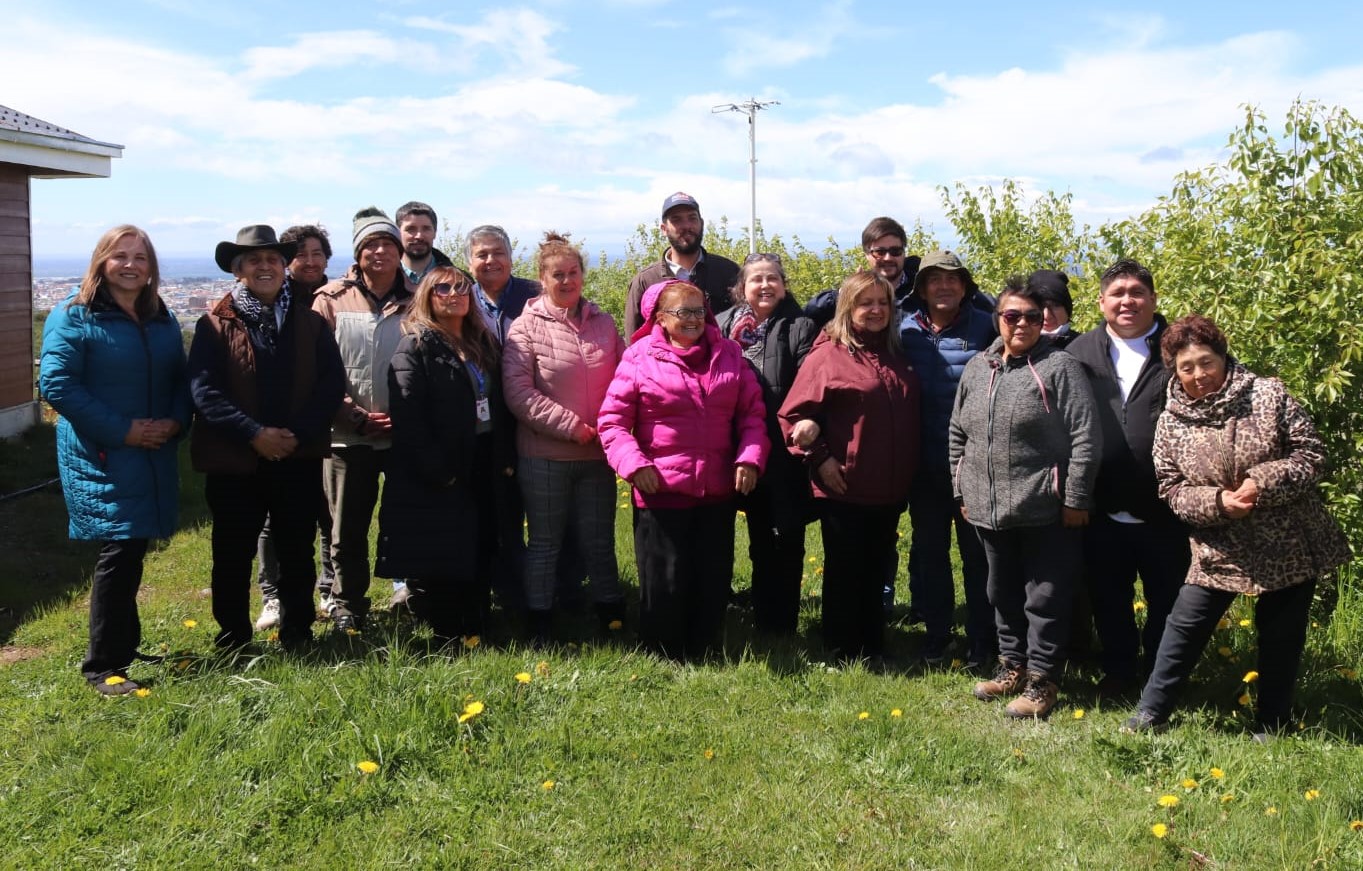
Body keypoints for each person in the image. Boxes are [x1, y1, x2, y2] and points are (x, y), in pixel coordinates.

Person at [1123, 316, 1350, 736]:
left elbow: (1311, 455)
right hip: (1218, 546)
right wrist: (1218, 504)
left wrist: (1261, 483)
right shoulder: (1170, 421)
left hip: (1286, 542)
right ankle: (1151, 713)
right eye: (1186, 367)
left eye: (1206, 362)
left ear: (1223, 357)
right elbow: (1171, 489)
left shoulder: (1268, 394)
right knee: (1184, 627)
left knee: (1281, 635)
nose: (1199, 374)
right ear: (1175, 371)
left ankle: (1272, 722)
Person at [40, 225, 191, 695]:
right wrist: (123, 430)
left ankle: (123, 644)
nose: (130, 265)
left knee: (133, 544)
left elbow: (180, 379)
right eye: (120, 256)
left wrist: (175, 421)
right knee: (120, 548)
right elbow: (57, 384)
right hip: (102, 450)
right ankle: (102, 665)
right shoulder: (75, 314)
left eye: (140, 258)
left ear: (152, 268)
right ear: (101, 261)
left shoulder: (161, 316)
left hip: (151, 446)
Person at [187, 225, 345, 651]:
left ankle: (298, 631)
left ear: (283, 267)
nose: (265, 267)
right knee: (232, 553)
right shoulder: (213, 325)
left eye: (273, 259)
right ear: (237, 270)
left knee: (296, 550)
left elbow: (331, 385)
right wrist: (254, 434)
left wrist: (298, 434)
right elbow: (204, 391)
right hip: (234, 460)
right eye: (254, 260)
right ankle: (233, 637)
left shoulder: (311, 323)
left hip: (297, 457)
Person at [951, 277, 1099, 719]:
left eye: (1032, 317)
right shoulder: (979, 367)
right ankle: (1012, 666)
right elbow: (958, 432)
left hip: (1044, 507)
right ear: (997, 318)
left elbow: (1085, 437)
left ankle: (1043, 680)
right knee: (1001, 591)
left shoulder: (1059, 367)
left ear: (1042, 321)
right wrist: (961, 488)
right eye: (1012, 315)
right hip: (988, 507)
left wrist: (1075, 498)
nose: (1021, 324)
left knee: (1044, 599)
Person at [599, 279, 768, 659]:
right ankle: (661, 655)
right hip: (660, 489)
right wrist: (634, 465)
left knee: (712, 577)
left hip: (716, 489)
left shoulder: (729, 354)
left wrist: (749, 458)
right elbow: (612, 422)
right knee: (665, 580)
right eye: (682, 312)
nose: (693, 319)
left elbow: (752, 416)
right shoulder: (640, 357)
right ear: (659, 317)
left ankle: (705, 649)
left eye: (698, 310)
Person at [780, 271, 920, 665]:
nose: (875, 310)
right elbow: (793, 417)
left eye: (882, 302)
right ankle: (842, 648)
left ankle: (872, 644)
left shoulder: (895, 352)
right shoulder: (829, 355)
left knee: (876, 567)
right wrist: (820, 459)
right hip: (845, 483)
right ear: (848, 307)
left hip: (889, 486)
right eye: (865, 303)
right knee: (846, 569)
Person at [1068, 260, 1190, 697]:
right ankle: (1118, 671)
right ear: (1101, 301)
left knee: (1168, 598)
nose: (1127, 301)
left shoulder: (1180, 348)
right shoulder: (1079, 352)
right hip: (1101, 504)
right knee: (1108, 596)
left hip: (1166, 506)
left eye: (1137, 292)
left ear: (1153, 299)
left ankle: (1162, 678)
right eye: (1117, 293)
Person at [376, 267, 512, 644]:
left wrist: (503, 457)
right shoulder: (415, 345)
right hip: (442, 465)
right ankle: (447, 631)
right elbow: (408, 416)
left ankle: (478, 622)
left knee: (482, 540)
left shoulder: (482, 341)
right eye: (443, 288)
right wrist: (439, 470)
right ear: (427, 296)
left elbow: (498, 404)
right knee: (444, 548)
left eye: (462, 287)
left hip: (483, 457)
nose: (454, 294)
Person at [503, 232, 626, 642]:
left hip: (597, 455)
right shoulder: (524, 328)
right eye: (558, 274)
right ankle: (539, 619)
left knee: (599, 541)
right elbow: (519, 393)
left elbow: (625, 379)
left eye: (573, 273)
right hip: (545, 456)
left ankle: (611, 613)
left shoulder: (604, 323)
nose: (567, 281)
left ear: (582, 276)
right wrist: (571, 427)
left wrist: (610, 428)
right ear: (542, 279)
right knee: (545, 542)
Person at [311, 208, 415, 633]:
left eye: (388, 243)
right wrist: (352, 415)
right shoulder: (330, 299)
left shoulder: (419, 298)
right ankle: (347, 603)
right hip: (346, 436)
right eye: (370, 244)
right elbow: (315, 370)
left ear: (399, 251)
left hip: (403, 436)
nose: (380, 251)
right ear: (357, 253)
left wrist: (404, 417)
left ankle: (410, 593)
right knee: (346, 527)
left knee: (406, 519)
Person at [898, 250, 997, 666]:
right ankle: (937, 635)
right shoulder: (904, 329)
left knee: (978, 557)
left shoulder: (987, 326)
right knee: (931, 553)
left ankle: (983, 639)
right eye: (934, 279)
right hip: (923, 465)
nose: (943, 286)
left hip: (972, 464)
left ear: (965, 286)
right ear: (921, 289)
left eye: (952, 279)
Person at [716, 253, 818, 635]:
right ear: (741, 287)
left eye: (772, 278)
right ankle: (733, 613)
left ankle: (780, 624)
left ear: (784, 285)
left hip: (781, 454)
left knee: (783, 539)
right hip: (729, 448)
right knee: (735, 537)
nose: (764, 285)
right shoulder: (722, 325)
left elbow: (810, 384)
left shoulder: (801, 326)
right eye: (756, 279)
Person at [254, 224, 336, 631]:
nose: (310, 261)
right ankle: (272, 594)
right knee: (274, 517)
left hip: (326, 422)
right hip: (279, 430)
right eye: (301, 253)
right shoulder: (272, 300)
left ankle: (328, 588)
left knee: (326, 512)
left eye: (317, 252)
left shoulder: (337, 296)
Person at [622, 193, 739, 337]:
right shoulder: (645, 281)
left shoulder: (728, 272)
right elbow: (634, 340)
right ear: (664, 229)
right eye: (676, 220)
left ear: (701, 224)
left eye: (692, 218)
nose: (686, 226)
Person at [802, 217, 923, 327]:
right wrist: (845, 294)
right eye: (880, 252)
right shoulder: (858, 293)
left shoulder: (922, 289)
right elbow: (809, 315)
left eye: (895, 251)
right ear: (866, 254)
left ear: (904, 252)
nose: (888, 258)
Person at [396, 201, 457, 287]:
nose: (419, 236)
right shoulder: (382, 279)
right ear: (397, 233)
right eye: (411, 229)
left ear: (435, 233)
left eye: (426, 229)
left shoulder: (458, 282)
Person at [1029, 269, 1080, 348]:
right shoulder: (1016, 348)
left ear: (1067, 310)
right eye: (1039, 306)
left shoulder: (1085, 347)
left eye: (1055, 306)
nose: (1047, 316)